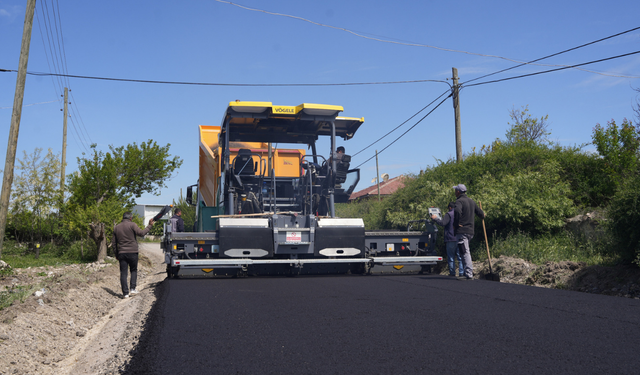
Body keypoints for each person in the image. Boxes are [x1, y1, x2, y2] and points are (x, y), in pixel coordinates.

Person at [112, 212, 154, 298]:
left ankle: (125, 293)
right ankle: (132, 289)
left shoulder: (116, 228)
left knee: (123, 272)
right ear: (130, 218)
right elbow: (142, 233)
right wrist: (150, 226)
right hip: (133, 252)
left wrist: (116, 254)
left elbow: (113, 243)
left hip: (122, 253)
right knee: (133, 270)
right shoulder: (132, 225)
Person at [452, 184, 485, 280]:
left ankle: (469, 273)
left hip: (462, 231)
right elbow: (481, 213)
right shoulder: (471, 201)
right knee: (464, 251)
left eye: (455, 191)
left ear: (458, 192)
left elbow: (457, 211)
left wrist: (456, 223)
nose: (455, 192)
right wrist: (483, 215)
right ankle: (467, 273)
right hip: (470, 231)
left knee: (465, 251)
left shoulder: (459, 201)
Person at [431, 202, 464, 277]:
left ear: (449, 207)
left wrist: (435, 218)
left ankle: (452, 273)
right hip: (459, 237)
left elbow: (443, 223)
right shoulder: (460, 213)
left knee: (451, 257)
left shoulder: (449, 214)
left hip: (450, 238)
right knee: (460, 257)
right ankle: (461, 273)